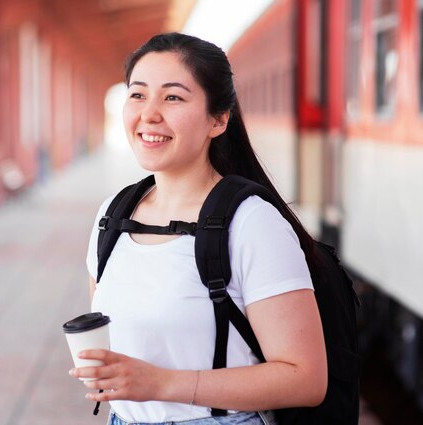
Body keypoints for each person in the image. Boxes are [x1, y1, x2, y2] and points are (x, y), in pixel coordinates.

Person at [69, 32, 327, 425]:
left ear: (218, 119)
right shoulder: (112, 216)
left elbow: (306, 379)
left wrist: (162, 384)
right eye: (137, 94)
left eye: (172, 97)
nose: (149, 113)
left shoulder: (252, 223)